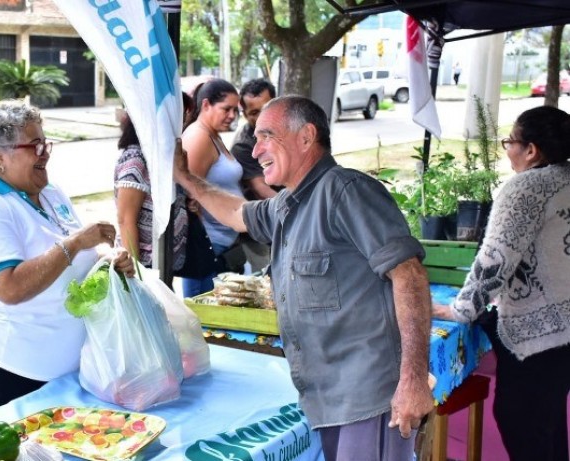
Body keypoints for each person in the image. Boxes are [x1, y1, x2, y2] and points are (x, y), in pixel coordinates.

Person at [174, 95, 434, 460]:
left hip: (368, 396)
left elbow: (410, 276)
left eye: (267, 136)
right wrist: (186, 177)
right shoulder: (288, 203)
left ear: (306, 136)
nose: (256, 148)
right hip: (326, 397)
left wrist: (413, 380)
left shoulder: (346, 191)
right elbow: (237, 213)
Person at [0, 99, 135, 410]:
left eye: (46, 143)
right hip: (14, 361)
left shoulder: (51, 193)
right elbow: (9, 288)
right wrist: (75, 243)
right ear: (0, 157)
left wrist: (107, 263)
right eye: (34, 146)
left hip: (61, 362)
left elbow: (72, 260)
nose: (45, 153)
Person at [433, 106, 570, 461]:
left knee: (522, 425)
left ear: (531, 150)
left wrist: (460, 310)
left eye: (511, 141)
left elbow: (495, 260)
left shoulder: (528, 187)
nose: (507, 148)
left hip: (536, 334)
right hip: (564, 331)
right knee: (549, 425)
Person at [180, 78, 244, 296]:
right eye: (226, 109)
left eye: (236, 110)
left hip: (223, 244)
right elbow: (189, 193)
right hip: (208, 247)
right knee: (205, 323)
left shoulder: (212, 135)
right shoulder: (199, 137)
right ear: (206, 105)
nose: (232, 116)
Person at [113, 114, 188, 270]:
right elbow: (126, 220)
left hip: (163, 264)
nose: (184, 123)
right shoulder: (136, 159)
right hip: (146, 266)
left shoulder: (161, 157)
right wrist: (137, 273)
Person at [231, 78, 278, 272]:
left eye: (266, 108)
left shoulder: (289, 129)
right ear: (244, 113)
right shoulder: (243, 146)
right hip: (261, 231)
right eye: (254, 112)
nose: (261, 117)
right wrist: (299, 208)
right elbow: (260, 188)